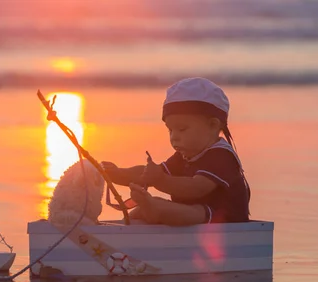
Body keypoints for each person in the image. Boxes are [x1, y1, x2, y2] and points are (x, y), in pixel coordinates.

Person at [101, 77, 251, 226]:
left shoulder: (221, 156)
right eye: (170, 130)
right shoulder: (185, 156)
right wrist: (118, 174)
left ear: (212, 125)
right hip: (192, 217)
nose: (174, 137)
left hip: (224, 220)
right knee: (147, 208)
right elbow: (150, 173)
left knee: (195, 212)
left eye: (182, 129)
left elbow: (195, 189)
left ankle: (154, 213)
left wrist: (160, 180)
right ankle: (125, 233)